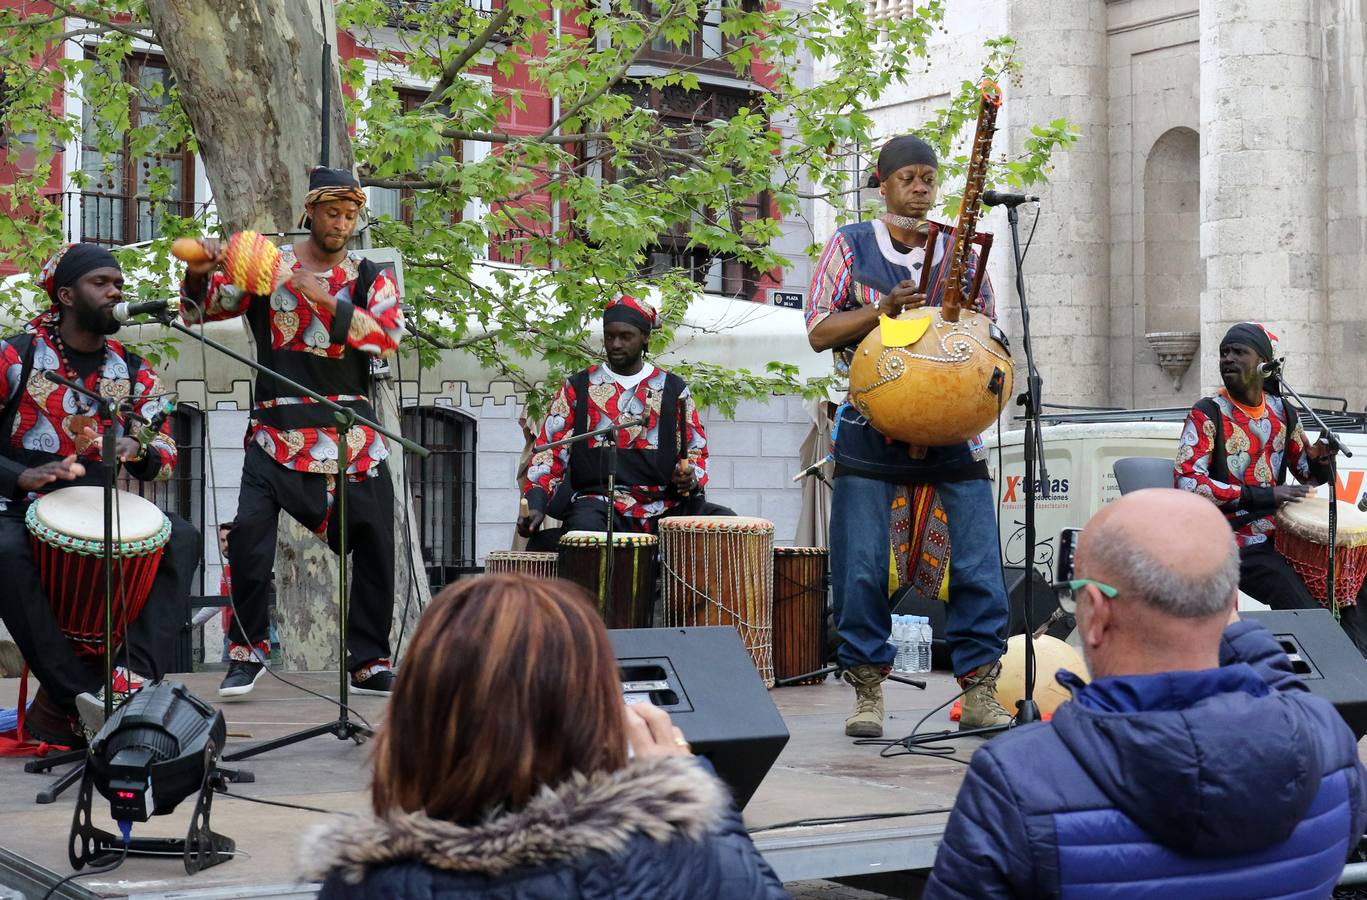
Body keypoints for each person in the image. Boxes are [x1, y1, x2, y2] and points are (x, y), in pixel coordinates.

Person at [924, 488, 1367, 898]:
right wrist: (1224, 620)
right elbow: (1287, 691)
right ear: (1230, 604)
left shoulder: (1016, 779)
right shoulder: (1328, 744)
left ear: (1097, 614)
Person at [304, 574, 789, 899]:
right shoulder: (672, 858)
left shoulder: (359, 881)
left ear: (415, 718)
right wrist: (693, 798)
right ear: (592, 714)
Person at [805, 134, 1010, 737]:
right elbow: (818, 331)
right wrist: (883, 311)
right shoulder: (849, 244)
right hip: (872, 429)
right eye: (907, 179)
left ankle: (980, 690)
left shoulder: (960, 252)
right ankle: (867, 692)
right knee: (862, 566)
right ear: (882, 183)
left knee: (977, 564)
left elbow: (986, 332)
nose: (919, 190)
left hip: (953, 431)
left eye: (927, 179)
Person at [180, 166, 404, 698]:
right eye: (332, 213)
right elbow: (198, 313)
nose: (341, 223)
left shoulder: (371, 276)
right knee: (249, 543)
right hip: (275, 430)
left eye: (350, 215)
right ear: (310, 212)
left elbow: (384, 338)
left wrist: (318, 294)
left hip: (350, 431)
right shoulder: (267, 266)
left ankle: (368, 660)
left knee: (377, 545)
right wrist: (199, 271)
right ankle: (246, 652)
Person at [0, 243, 199, 745]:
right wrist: (19, 477)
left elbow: (166, 448)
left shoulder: (132, 369)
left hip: (96, 505)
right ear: (67, 295)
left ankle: (131, 680)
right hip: (14, 505)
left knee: (182, 536)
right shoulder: (15, 356)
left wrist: (140, 447)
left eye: (119, 285)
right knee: (4, 549)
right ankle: (77, 696)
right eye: (102, 283)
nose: (115, 292)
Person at [1175, 322, 1367, 653]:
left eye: (1238, 352)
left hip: (1279, 534)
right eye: (1224, 353)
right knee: (1288, 587)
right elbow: (1188, 483)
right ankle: (1332, 658)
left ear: (1264, 364)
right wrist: (1265, 495)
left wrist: (1321, 460)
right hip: (1229, 536)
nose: (1228, 359)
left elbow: (1307, 474)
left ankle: (1355, 656)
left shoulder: (1283, 412)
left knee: (1354, 570)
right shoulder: (1207, 413)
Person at [517, 295, 733, 545]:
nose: (615, 344)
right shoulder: (578, 387)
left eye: (625, 336)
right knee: (585, 530)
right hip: (597, 503)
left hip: (665, 506)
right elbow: (549, 454)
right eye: (609, 336)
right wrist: (535, 503)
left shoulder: (674, 389)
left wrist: (690, 477)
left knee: (726, 523)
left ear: (645, 337)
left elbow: (695, 450)